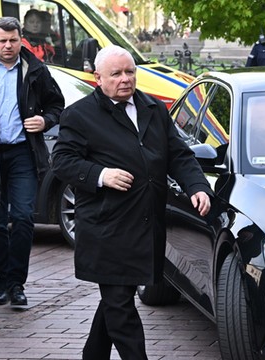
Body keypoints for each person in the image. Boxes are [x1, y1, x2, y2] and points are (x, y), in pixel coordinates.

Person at [51, 45, 212, 359]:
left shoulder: (153, 108)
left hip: (145, 223)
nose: (125, 79)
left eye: (130, 72)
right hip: (105, 228)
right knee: (121, 309)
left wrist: (196, 185)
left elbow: (178, 154)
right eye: (116, 74)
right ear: (98, 78)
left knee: (117, 297)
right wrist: (101, 174)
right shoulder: (79, 115)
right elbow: (62, 162)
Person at [0, 16, 64, 308]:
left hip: (24, 153)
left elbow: (57, 105)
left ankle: (16, 284)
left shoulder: (35, 70)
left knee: (24, 217)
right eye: (2, 41)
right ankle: (0, 283)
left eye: (13, 40)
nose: (8, 45)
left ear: (20, 39)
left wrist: (45, 120)